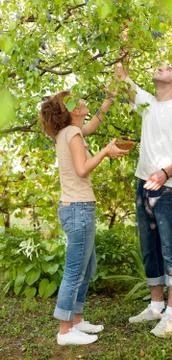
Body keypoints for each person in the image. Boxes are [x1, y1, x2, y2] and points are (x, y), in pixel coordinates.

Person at [115, 63, 172, 337]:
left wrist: (165, 173)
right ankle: (155, 305)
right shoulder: (148, 103)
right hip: (144, 185)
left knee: (170, 250)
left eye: (168, 68)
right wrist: (124, 47)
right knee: (149, 248)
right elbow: (123, 79)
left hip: (169, 188)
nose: (160, 68)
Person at [40, 90, 128, 345]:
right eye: (75, 100)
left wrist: (110, 98)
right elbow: (82, 169)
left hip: (75, 207)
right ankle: (65, 331)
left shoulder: (69, 132)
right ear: (72, 111)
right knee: (76, 270)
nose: (81, 100)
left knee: (87, 267)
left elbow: (92, 124)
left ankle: (76, 319)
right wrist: (105, 152)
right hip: (78, 208)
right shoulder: (73, 134)